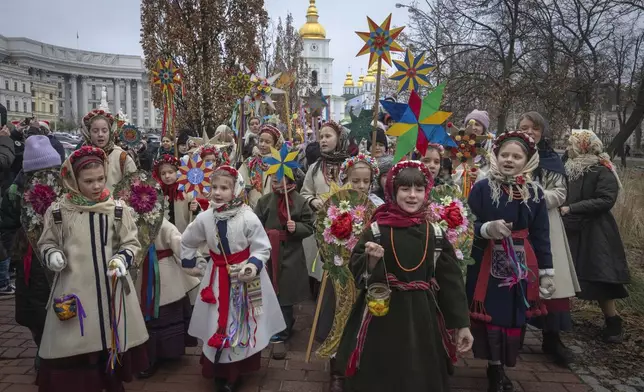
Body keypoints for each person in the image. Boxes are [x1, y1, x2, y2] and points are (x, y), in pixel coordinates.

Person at [334, 160, 473, 392]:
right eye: (405, 189)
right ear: (392, 191)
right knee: (379, 371)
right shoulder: (377, 230)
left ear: (426, 192)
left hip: (422, 316)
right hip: (382, 313)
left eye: (418, 189)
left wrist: (462, 324)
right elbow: (359, 272)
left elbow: (452, 282)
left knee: (418, 371)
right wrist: (371, 260)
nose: (412, 195)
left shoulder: (435, 233)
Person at [37, 146, 148, 392]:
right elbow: (46, 242)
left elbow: (131, 242)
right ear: (73, 179)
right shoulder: (58, 212)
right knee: (75, 351)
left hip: (111, 291)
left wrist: (122, 258)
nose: (96, 186)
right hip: (75, 292)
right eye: (88, 181)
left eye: (100, 179)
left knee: (110, 341)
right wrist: (52, 253)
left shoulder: (117, 209)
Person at [181, 166, 285, 392]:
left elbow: (262, 248)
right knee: (216, 319)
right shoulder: (205, 217)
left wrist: (252, 266)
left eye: (224, 188)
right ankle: (218, 368)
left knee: (239, 320)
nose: (217, 193)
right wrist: (195, 264)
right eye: (214, 187)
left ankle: (235, 372)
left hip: (243, 279)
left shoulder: (248, 217)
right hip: (216, 277)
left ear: (236, 189)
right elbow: (187, 241)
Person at [467, 131, 554, 392]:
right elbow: (464, 221)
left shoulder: (535, 193)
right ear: (495, 156)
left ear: (528, 160)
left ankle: (504, 363)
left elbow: (541, 234)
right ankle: (494, 366)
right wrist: (485, 228)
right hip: (486, 260)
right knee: (492, 313)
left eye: (516, 156)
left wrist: (547, 271)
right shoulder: (483, 188)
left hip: (521, 262)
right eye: (504, 154)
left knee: (513, 314)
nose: (509, 160)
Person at [517, 112, 579, 365]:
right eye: (524, 127)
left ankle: (552, 338)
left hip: (546, 223)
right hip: (516, 223)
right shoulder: (510, 152)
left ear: (543, 131)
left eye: (534, 128)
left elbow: (560, 193)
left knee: (549, 275)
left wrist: (533, 197)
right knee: (515, 275)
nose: (529, 132)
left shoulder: (550, 159)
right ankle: (513, 333)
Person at [561, 130, 630, 343]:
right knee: (565, 274)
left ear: (584, 146)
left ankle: (613, 322)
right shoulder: (568, 167)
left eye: (571, 144)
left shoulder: (602, 169)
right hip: (571, 227)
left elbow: (606, 199)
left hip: (596, 232)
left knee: (600, 278)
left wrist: (572, 208)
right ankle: (560, 319)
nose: (567, 148)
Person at [0, 136, 60, 353]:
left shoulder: (63, 186)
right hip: (29, 257)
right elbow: (6, 222)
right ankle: (42, 348)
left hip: (59, 254)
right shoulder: (17, 191)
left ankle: (56, 348)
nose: (47, 176)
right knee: (35, 306)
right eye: (42, 171)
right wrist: (17, 247)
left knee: (60, 301)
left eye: (52, 169)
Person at [254, 174, 314, 359]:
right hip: (269, 252)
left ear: (289, 180)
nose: (276, 182)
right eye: (273, 179)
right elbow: (256, 223)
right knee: (269, 290)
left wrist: (297, 227)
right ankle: (269, 324)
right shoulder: (265, 200)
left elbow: (310, 225)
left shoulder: (300, 201)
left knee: (286, 293)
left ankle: (283, 330)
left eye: (280, 179)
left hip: (290, 254)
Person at [135, 218, 200, 378]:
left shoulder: (163, 224)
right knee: (149, 314)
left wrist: (197, 261)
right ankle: (152, 356)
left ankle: (164, 353)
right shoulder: (132, 222)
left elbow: (180, 244)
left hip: (165, 273)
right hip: (145, 273)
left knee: (164, 311)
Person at [80, 109, 137, 192]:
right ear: (88, 133)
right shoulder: (79, 156)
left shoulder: (122, 157)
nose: (100, 134)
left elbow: (135, 188)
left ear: (110, 132)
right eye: (95, 131)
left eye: (104, 131)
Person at [301, 121, 350, 212]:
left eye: (328, 136)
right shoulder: (315, 168)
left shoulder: (350, 166)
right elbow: (305, 193)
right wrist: (313, 200)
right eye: (321, 137)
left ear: (339, 139)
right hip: (321, 219)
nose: (323, 140)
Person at [238, 124, 284, 208]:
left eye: (268, 142)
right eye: (261, 140)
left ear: (275, 144)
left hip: (275, 207)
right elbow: (239, 180)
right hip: (253, 207)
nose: (263, 144)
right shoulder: (250, 162)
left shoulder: (280, 162)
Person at [153, 154, 200, 233]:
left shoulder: (185, 190)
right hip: (165, 234)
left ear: (177, 172)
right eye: (163, 173)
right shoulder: (158, 192)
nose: (167, 176)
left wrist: (195, 208)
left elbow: (194, 214)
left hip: (183, 233)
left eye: (170, 172)